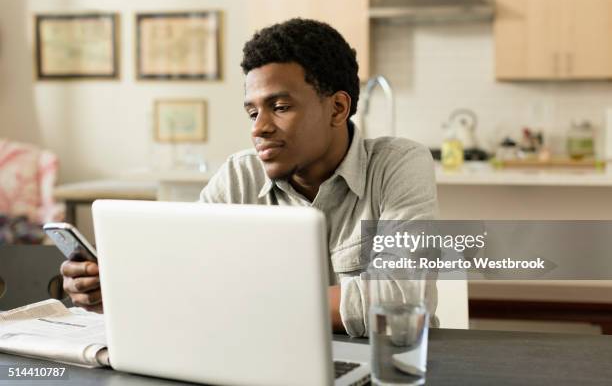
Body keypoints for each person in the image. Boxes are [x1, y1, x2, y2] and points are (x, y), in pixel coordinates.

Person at [60, 18, 438, 337]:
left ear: (338, 108)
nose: (260, 128)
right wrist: (114, 290)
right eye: (252, 113)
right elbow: (181, 272)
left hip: (391, 365)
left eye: (280, 106)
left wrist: (236, 302)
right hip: (266, 360)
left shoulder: (399, 165)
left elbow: (400, 296)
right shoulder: (238, 176)